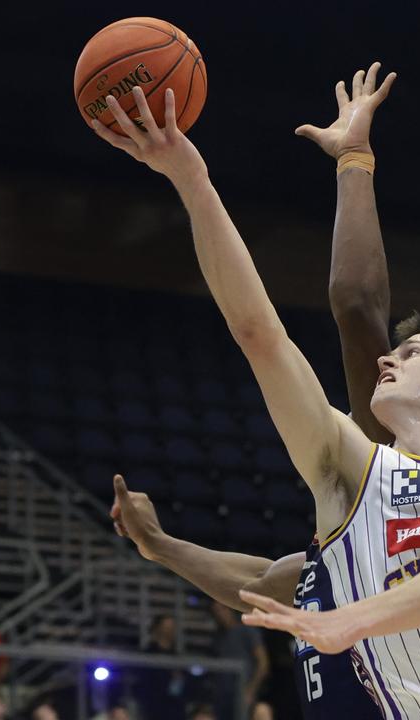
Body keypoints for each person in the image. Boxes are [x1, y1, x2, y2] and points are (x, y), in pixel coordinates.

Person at [91, 68, 420, 718]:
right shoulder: (349, 483)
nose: (388, 361)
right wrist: (190, 179)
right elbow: (261, 335)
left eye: (411, 351)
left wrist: (352, 623)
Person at [110, 63, 397, 720]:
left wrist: (354, 159)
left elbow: (354, 307)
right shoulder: (342, 541)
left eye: (414, 356)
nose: (393, 365)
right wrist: (161, 547)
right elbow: (259, 583)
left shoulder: (399, 491)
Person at [209, 602, 267, 720]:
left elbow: (263, 663)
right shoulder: (218, 637)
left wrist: (251, 689)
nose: (220, 614)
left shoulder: (247, 630)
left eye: (222, 609)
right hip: (223, 696)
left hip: (243, 693)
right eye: (216, 611)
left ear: (230, 609)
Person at [135, 615, 187, 720]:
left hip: (174, 708)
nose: (169, 631)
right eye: (166, 627)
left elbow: (181, 684)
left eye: (172, 628)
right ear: (157, 628)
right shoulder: (146, 655)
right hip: (152, 707)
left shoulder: (178, 657)